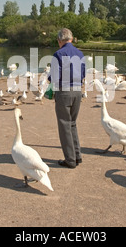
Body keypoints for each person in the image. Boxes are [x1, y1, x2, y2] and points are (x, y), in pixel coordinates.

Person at [48, 28, 86, 169]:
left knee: (64, 125)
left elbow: (54, 77)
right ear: (72, 38)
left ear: (60, 40)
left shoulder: (58, 54)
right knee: (72, 124)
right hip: (77, 92)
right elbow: (83, 74)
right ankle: (77, 155)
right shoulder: (80, 53)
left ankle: (70, 160)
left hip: (64, 92)